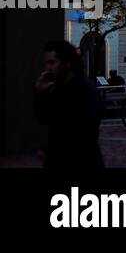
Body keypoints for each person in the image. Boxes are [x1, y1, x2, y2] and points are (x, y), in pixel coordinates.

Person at [33, 40, 103, 170]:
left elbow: (83, 133)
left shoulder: (84, 90)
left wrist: (51, 151)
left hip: (82, 162)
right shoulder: (57, 87)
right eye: (46, 63)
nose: (47, 68)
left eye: (52, 62)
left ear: (67, 63)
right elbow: (43, 117)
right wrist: (40, 93)